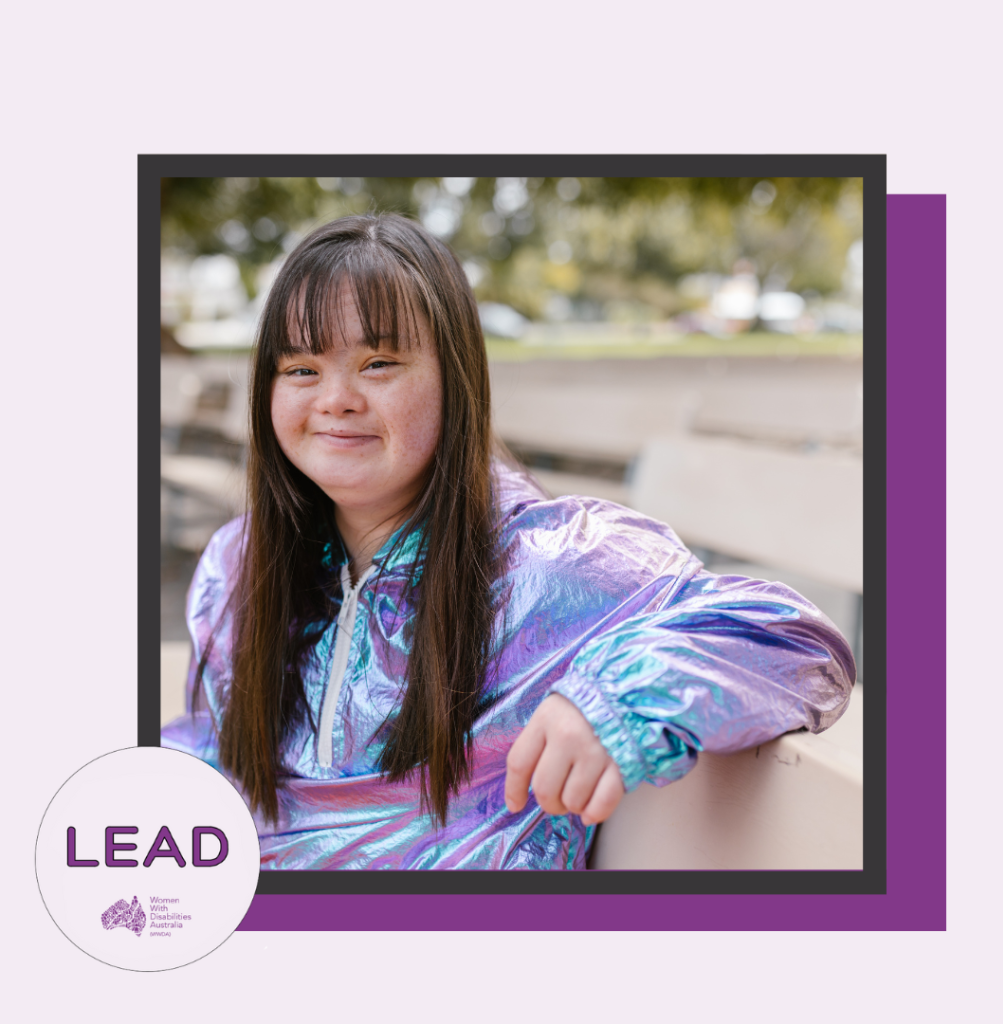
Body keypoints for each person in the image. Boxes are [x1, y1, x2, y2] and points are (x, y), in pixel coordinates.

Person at [162, 213, 856, 870]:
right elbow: (218, 756)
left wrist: (615, 703)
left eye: (377, 363)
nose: (334, 398)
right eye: (301, 369)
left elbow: (797, 640)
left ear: (455, 381)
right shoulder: (239, 563)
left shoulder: (555, 562)